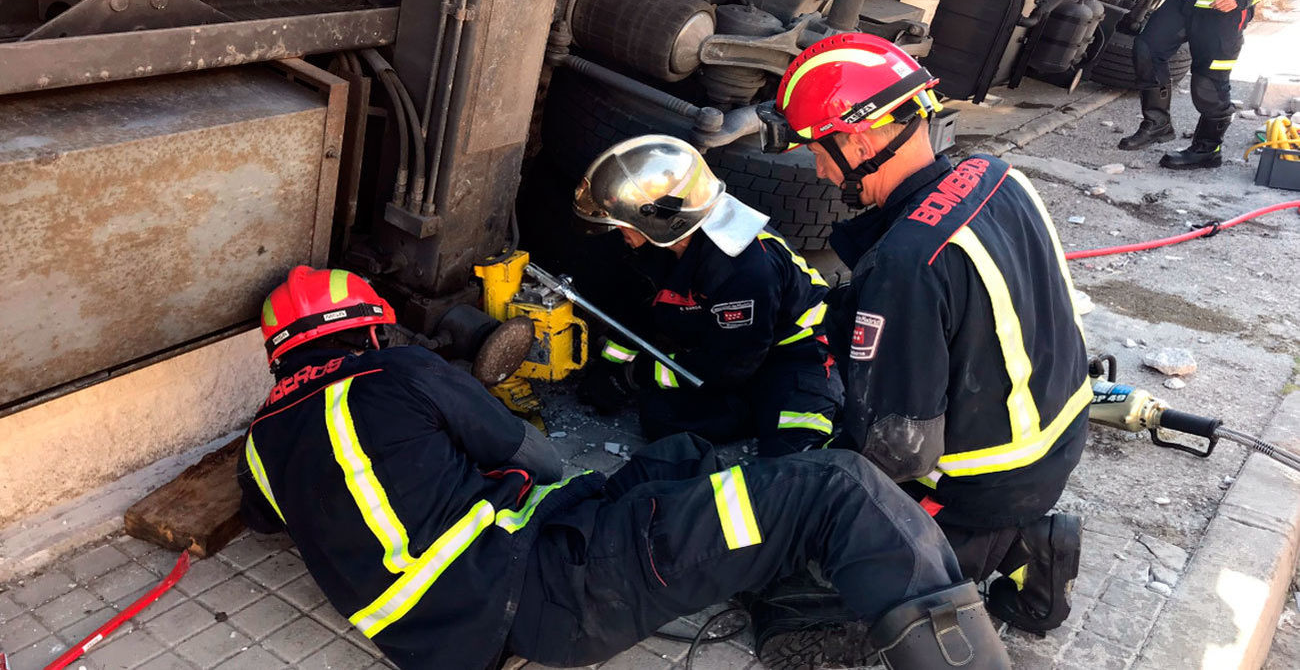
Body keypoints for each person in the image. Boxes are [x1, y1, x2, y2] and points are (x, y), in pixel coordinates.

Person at [236, 265, 1011, 670]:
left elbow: (272, 516)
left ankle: (770, 567)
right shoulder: (395, 372)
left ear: (282, 358)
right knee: (834, 485)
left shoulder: (263, 439)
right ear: (371, 330)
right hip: (545, 588)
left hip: (445, 640)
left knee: (673, 460)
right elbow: (533, 456)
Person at [762, 33, 1091, 636]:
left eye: (819, 149)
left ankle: (999, 547)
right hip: (1059, 436)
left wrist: (825, 477)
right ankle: (1018, 541)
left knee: (796, 585)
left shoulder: (907, 263)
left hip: (986, 482)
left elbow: (901, 450)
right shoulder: (997, 175)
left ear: (858, 139)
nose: (818, 168)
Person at [573, 134, 843, 457]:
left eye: (625, 223)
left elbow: (731, 364)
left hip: (798, 351)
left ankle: (776, 405)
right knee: (660, 418)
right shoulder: (665, 245)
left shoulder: (742, 267)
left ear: (659, 220)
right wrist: (611, 367)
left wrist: (637, 374)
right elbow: (639, 312)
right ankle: (748, 406)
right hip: (734, 348)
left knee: (793, 450)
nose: (620, 232)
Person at [1119, 0, 1299, 168]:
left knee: (1209, 83)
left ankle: (1207, 149)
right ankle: (1157, 123)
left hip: (1226, 13)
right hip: (1184, 1)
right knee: (1147, 50)